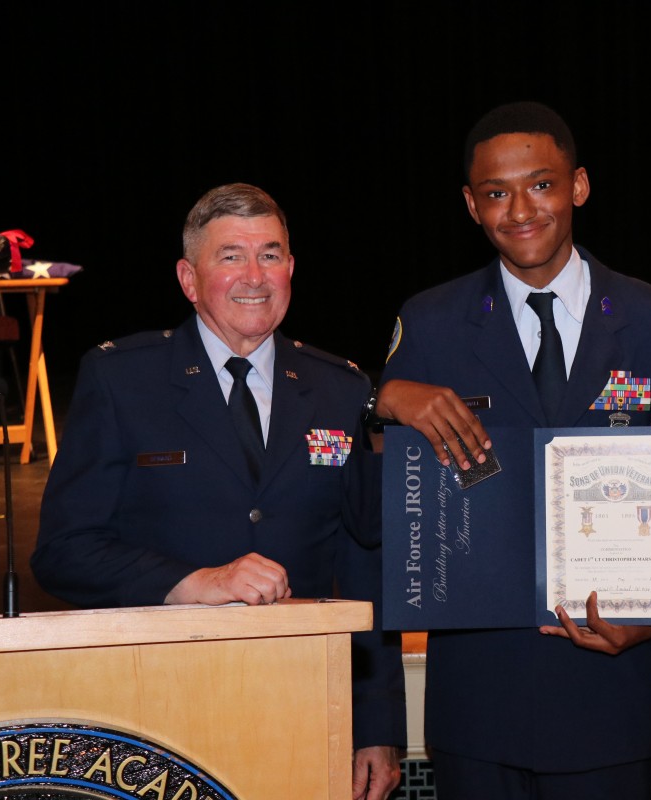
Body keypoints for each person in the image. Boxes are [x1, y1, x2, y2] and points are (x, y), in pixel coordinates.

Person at [370, 101, 651, 799]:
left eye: (542, 185)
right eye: (495, 193)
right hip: (478, 712)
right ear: (471, 204)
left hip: (609, 700)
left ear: (579, 186)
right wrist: (381, 402)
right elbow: (373, 508)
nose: (520, 210)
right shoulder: (429, 325)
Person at [30, 183, 406, 800]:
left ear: (291, 268)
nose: (254, 275)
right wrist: (192, 583)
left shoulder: (339, 388)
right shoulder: (123, 380)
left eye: (271, 254)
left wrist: (377, 723)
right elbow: (63, 551)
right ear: (189, 278)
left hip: (303, 704)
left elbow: (363, 565)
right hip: (154, 709)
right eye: (231, 255)